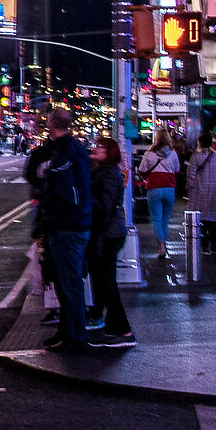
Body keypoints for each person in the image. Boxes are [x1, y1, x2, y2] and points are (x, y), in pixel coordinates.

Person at [32, 110, 95, 351]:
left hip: (67, 225)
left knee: (69, 283)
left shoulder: (65, 152)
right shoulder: (71, 149)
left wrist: (53, 211)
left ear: (51, 124)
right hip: (70, 223)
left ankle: (75, 337)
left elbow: (60, 188)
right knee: (64, 282)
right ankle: (69, 332)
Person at [87, 135, 135, 347]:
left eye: (101, 147)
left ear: (110, 152)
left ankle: (123, 331)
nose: (95, 148)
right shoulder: (101, 170)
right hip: (107, 232)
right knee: (102, 279)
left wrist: (83, 199)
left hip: (108, 233)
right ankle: (111, 325)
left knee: (107, 282)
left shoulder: (107, 173)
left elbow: (104, 206)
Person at [139, 129, 181, 278]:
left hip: (154, 188)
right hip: (169, 188)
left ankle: (161, 246)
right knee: (165, 219)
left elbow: (142, 169)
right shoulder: (173, 153)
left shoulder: (149, 154)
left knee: (156, 218)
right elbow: (177, 169)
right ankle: (164, 243)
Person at [188, 132, 216, 260]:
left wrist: (189, 187)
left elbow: (191, 175)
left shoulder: (195, 157)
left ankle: (205, 246)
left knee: (202, 219)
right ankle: (214, 245)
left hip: (200, 191)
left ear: (199, 143)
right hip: (215, 192)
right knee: (214, 220)